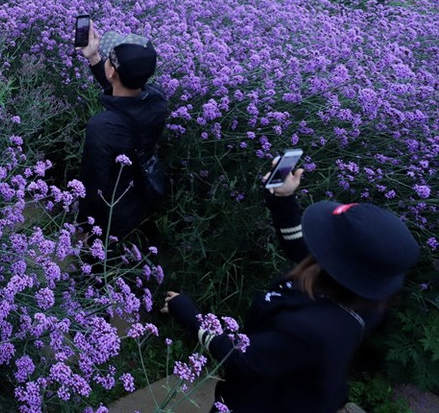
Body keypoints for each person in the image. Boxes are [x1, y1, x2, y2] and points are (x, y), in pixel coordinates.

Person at [161, 163, 420, 413]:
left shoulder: (310, 330)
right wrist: (283, 199)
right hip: (291, 379)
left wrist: (190, 315)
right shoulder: (365, 295)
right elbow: (304, 250)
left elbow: (242, 359)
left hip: (265, 401)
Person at [77, 22, 168, 243]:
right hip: (138, 197)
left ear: (112, 71)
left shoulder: (102, 127)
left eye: (108, 59)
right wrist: (94, 58)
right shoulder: (156, 100)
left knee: (95, 262)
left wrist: (82, 225)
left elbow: (93, 183)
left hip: (110, 211)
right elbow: (122, 93)